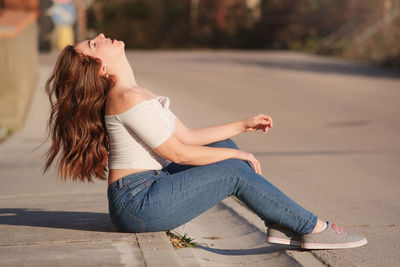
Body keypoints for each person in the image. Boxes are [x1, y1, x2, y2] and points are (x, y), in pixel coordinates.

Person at [43, 33, 367, 250]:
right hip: (137, 204)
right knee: (233, 170)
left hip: (148, 190)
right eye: (94, 43)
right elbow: (177, 152)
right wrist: (240, 160)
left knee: (224, 148)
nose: (101, 37)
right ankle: (312, 228)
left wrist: (244, 125)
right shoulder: (123, 98)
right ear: (101, 68)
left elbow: (188, 137)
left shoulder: (137, 93)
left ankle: (279, 224)